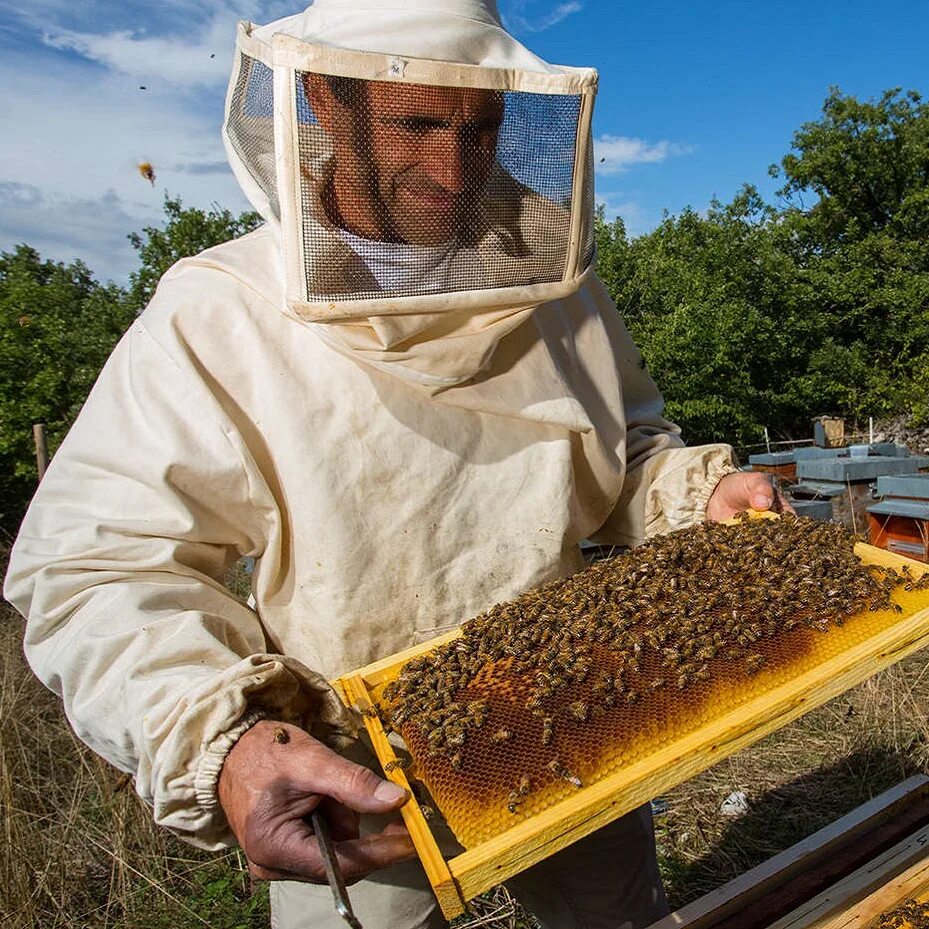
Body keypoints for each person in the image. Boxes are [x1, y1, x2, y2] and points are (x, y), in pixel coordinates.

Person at [4, 2, 786, 927]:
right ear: (326, 105)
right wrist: (228, 743)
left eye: (481, 126)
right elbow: (99, 565)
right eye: (417, 122)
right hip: (344, 765)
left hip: (581, 706)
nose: (455, 166)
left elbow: (624, 457)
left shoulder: (555, 283)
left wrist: (698, 497)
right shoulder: (216, 314)